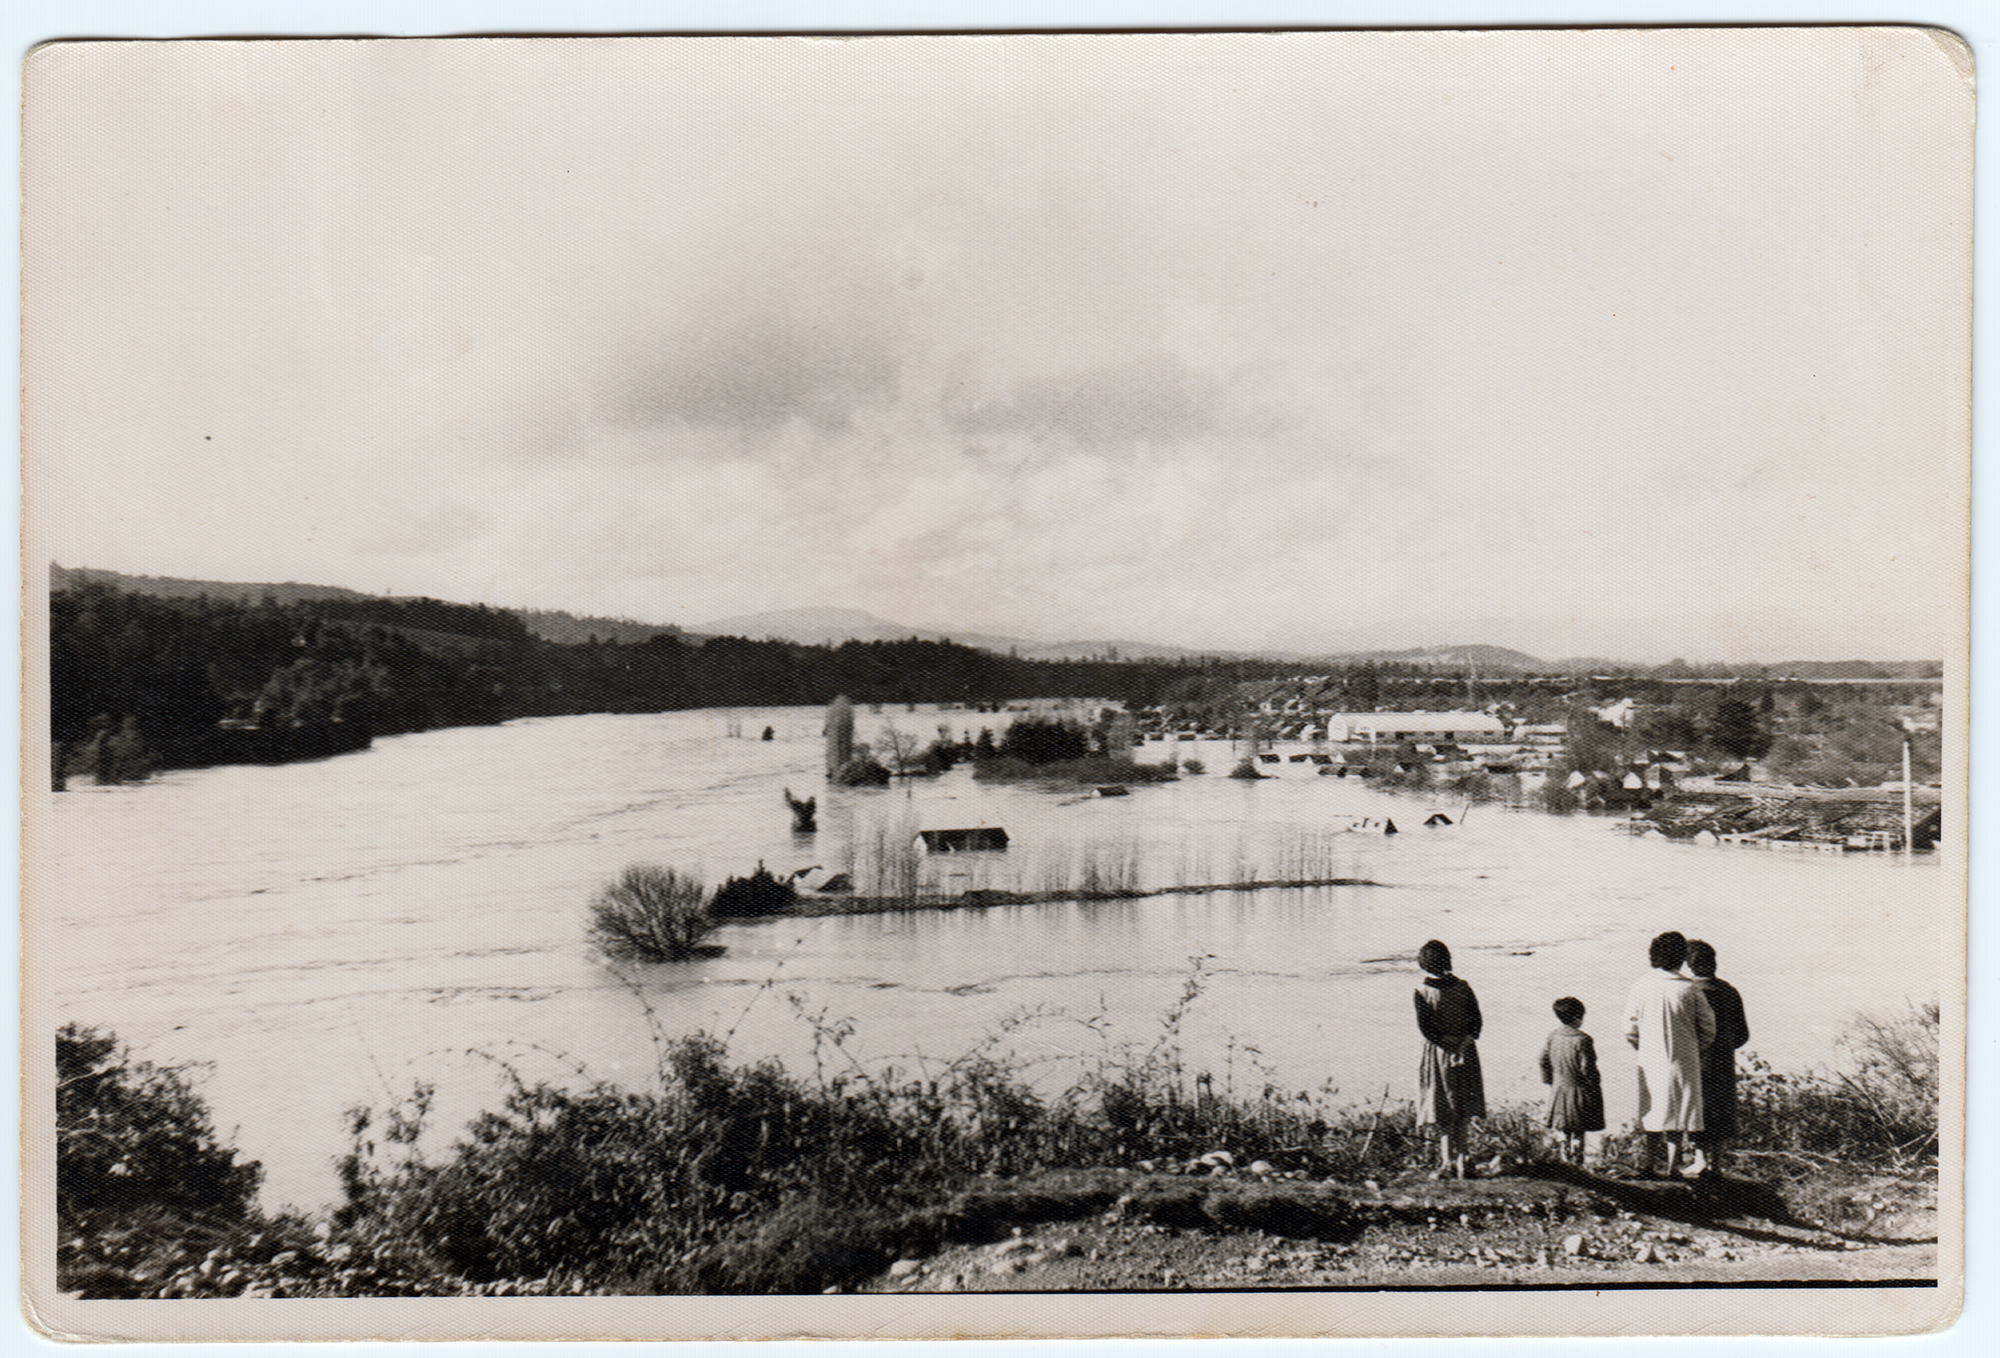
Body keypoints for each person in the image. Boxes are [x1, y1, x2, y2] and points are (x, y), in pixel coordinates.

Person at [1622, 930, 1716, 1179]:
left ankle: (1650, 1164)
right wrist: (1695, 1049)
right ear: (1681, 957)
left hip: (1650, 1059)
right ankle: (1673, 1167)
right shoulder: (1690, 989)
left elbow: (1629, 1029)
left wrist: (1642, 1048)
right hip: (1684, 1059)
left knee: (1652, 1110)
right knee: (1679, 1112)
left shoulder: (1640, 985)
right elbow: (1708, 1028)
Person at [1414, 939, 1485, 1179]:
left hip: (1439, 1054)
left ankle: (1447, 1163)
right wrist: (1463, 1045)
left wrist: (1448, 1047)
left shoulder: (1422, 992)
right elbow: (1476, 1022)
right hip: (1466, 1052)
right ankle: (1464, 1157)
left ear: (1424, 965)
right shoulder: (1464, 987)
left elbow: (1427, 1030)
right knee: (1463, 1107)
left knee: (1443, 1109)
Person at [1685, 939, 1750, 1178]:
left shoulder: (1688, 992)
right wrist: (1724, 1047)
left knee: (1699, 1108)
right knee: (1722, 1109)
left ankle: (1699, 1160)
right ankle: (1717, 1163)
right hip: (1723, 1060)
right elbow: (1743, 1034)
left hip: (1697, 1059)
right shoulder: (1729, 991)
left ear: (1689, 964)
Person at [1540, 996, 1605, 1166]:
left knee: (1563, 1129)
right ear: (1578, 1017)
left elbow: (1543, 1060)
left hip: (1559, 1090)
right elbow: (1587, 1068)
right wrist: (1594, 1085)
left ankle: (1564, 1162)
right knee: (1578, 1131)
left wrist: (1550, 1082)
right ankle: (1577, 1163)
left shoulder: (1553, 1036)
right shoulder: (1583, 1040)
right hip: (1579, 1091)